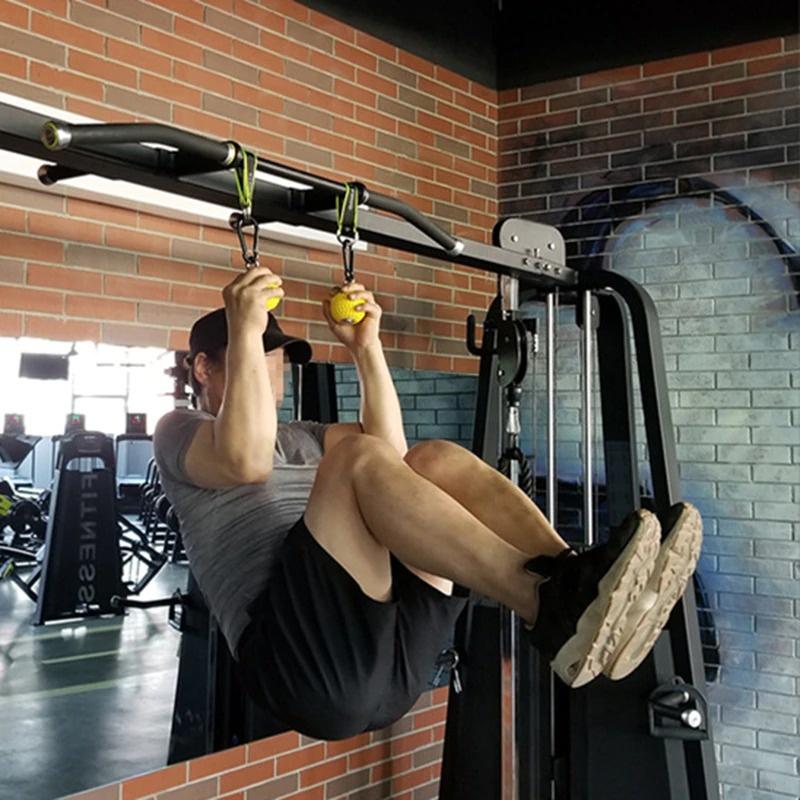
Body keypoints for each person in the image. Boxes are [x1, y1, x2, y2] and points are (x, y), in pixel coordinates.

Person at [153, 266, 702, 741]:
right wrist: (245, 325)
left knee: (433, 458)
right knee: (357, 458)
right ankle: (542, 604)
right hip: (298, 665)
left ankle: (571, 580)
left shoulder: (301, 435)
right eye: (258, 350)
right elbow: (246, 460)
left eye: (275, 354)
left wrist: (366, 348)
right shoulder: (178, 430)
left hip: (390, 658)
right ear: (203, 368)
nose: (273, 364)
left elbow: (393, 456)